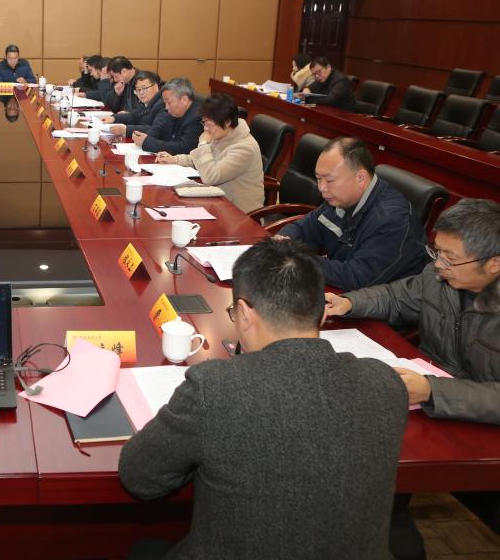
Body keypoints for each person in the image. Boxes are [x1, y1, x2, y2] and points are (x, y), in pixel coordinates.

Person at [119, 238, 408, 559]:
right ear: (321, 312)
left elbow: (140, 476)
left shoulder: (215, 387)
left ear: (244, 313)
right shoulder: (387, 383)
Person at [325, 198, 500, 423]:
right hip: (425, 397)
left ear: (494, 263)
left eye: (450, 258)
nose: (439, 264)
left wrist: (432, 391)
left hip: (477, 421)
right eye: (438, 252)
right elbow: (395, 297)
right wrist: (349, 303)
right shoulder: (437, 276)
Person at [279, 137, 428, 290]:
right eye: (318, 178)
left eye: (329, 180)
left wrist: (298, 259)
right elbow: (305, 228)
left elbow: (357, 277)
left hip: (382, 299)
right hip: (344, 288)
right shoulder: (339, 199)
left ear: (360, 178)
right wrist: (282, 240)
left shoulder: (392, 220)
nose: (322, 188)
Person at [155, 93, 264, 213]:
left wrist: (203, 144)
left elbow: (211, 177)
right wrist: (175, 159)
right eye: (204, 122)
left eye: (209, 124)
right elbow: (203, 160)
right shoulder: (224, 133)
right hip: (217, 201)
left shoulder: (244, 148)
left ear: (227, 122)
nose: (205, 128)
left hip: (239, 212)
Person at [133, 77, 204, 155]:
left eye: (169, 102)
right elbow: (161, 129)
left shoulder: (198, 117)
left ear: (184, 100)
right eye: (165, 103)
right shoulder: (176, 111)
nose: (166, 107)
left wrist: (148, 143)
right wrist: (146, 137)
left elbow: (184, 148)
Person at [101, 70, 168, 139]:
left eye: (144, 88)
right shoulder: (147, 102)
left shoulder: (163, 104)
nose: (141, 93)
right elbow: (134, 116)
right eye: (138, 90)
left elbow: (157, 130)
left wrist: (126, 129)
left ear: (156, 86)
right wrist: (114, 118)